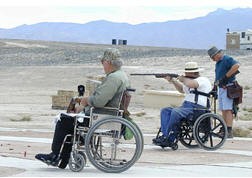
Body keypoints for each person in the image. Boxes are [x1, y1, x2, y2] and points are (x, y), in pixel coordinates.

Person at [35, 48, 130, 168]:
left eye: (103, 62)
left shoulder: (114, 78)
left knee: (63, 121)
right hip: (106, 115)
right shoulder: (120, 76)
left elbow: (99, 101)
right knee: (71, 123)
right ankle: (63, 160)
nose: (102, 65)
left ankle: (54, 154)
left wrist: (85, 101)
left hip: (101, 117)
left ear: (108, 62)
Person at [152, 62, 212, 147]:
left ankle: (170, 137)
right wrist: (173, 81)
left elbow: (191, 84)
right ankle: (165, 135)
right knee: (165, 110)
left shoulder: (203, 80)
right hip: (186, 106)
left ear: (192, 73)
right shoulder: (189, 81)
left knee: (176, 112)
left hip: (197, 108)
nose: (185, 74)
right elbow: (181, 90)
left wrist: (182, 78)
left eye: (187, 73)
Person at [208, 46, 240, 138]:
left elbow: (236, 65)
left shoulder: (226, 59)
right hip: (221, 88)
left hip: (228, 86)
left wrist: (226, 76)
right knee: (223, 109)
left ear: (217, 54)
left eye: (213, 57)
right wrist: (215, 86)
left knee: (228, 109)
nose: (213, 59)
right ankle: (224, 128)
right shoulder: (218, 63)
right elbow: (218, 75)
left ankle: (228, 130)